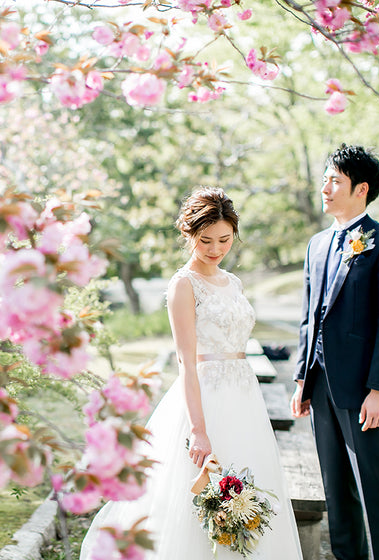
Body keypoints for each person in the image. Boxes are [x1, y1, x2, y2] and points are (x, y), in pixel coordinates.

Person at [80, 187, 302, 559]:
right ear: (189, 235)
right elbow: (187, 361)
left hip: (244, 397)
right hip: (204, 397)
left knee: (248, 487)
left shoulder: (233, 282)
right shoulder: (183, 284)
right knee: (197, 494)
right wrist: (199, 430)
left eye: (224, 240)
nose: (215, 249)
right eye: (205, 240)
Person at [291, 145, 379, 560]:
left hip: (365, 391)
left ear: (361, 189)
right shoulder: (317, 245)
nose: (325, 188)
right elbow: (311, 316)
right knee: (336, 489)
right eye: (325, 179)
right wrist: (301, 379)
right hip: (322, 386)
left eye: (335, 181)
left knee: (374, 486)